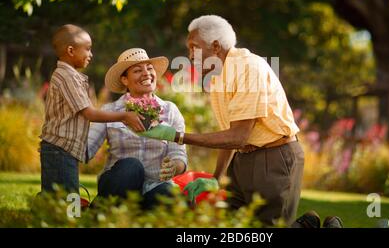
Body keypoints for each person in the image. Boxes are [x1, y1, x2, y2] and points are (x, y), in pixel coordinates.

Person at [143, 15, 304, 226]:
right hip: (243, 160)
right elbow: (228, 135)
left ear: (216, 46)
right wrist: (216, 178)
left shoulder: (248, 68)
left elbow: (238, 136)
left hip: (273, 157)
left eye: (194, 47)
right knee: (231, 225)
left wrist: (178, 136)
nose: (190, 56)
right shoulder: (217, 77)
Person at [40, 25, 144, 194]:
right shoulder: (67, 77)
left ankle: (53, 211)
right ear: (71, 50)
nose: (91, 54)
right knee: (66, 194)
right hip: (59, 148)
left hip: (63, 148)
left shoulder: (70, 76)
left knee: (61, 192)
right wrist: (124, 116)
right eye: (87, 49)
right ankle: (63, 215)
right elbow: (89, 113)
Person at [86, 48, 187, 210]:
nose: (146, 73)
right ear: (125, 80)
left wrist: (174, 166)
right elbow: (86, 149)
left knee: (169, 194)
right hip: (120, 184)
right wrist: (60, 145)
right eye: (138, 70)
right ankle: (101, 211)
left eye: (149, 68)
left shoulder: (170, 110)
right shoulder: (110, 110)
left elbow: (179, 155)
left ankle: (139, 215)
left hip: (155, 186)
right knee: (132, 166)